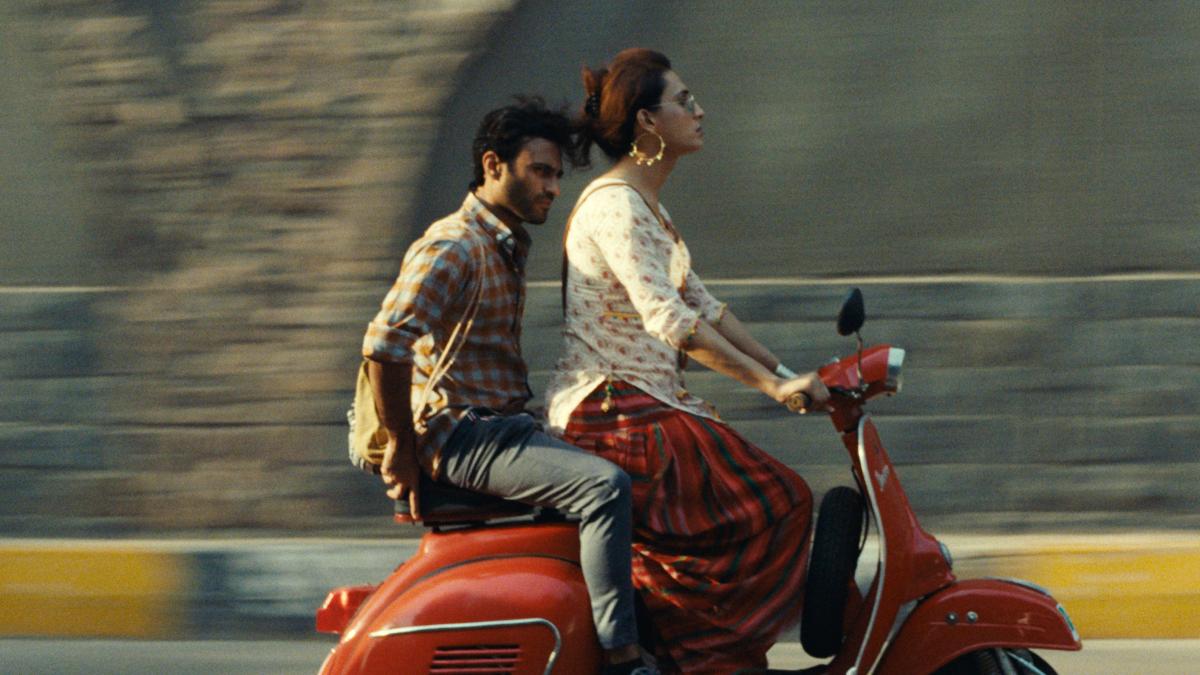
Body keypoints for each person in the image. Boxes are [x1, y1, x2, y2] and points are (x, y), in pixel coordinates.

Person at [545, 49, 832, 674]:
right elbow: (671, 321)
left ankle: (701, 647)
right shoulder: (616, 205)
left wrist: (785, 376)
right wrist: (769, 387)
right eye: (685, 101)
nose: (700, 112)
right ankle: (704, 654)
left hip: (642, 404)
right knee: (778, 500)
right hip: (611, 409)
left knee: (770, 502)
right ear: (648, 121)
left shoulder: (649, 208)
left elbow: (706, 306)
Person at [362, 98, 654, 675]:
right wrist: (400, 442)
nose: (552, 189)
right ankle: (624, 658)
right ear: (494, 165)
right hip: (464, 436)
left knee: (641, 462)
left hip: (500, 427)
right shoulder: (456, 244)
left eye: (555, 176)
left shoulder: (502, 243)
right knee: (603, 488)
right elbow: (384, 344)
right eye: (540, 172)